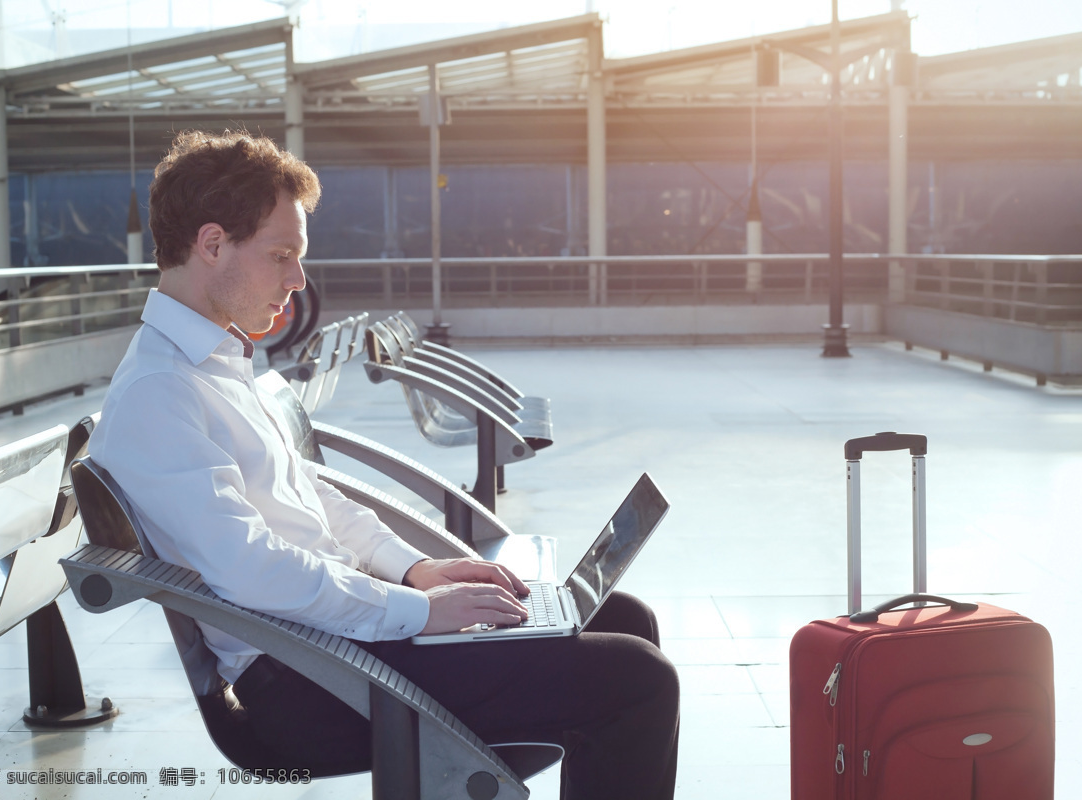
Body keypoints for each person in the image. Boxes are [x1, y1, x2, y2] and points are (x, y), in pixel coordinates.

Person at [89, 129, 679, 799]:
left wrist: (417, 571)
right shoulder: (160, 392)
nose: (298, 280)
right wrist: (418, 612)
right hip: (306, 681)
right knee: (636, 682)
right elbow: (249, 568)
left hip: (332, 640)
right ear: (212, 243)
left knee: (621, 618)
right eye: (281, 255)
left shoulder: (213, 361)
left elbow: (308, 495)